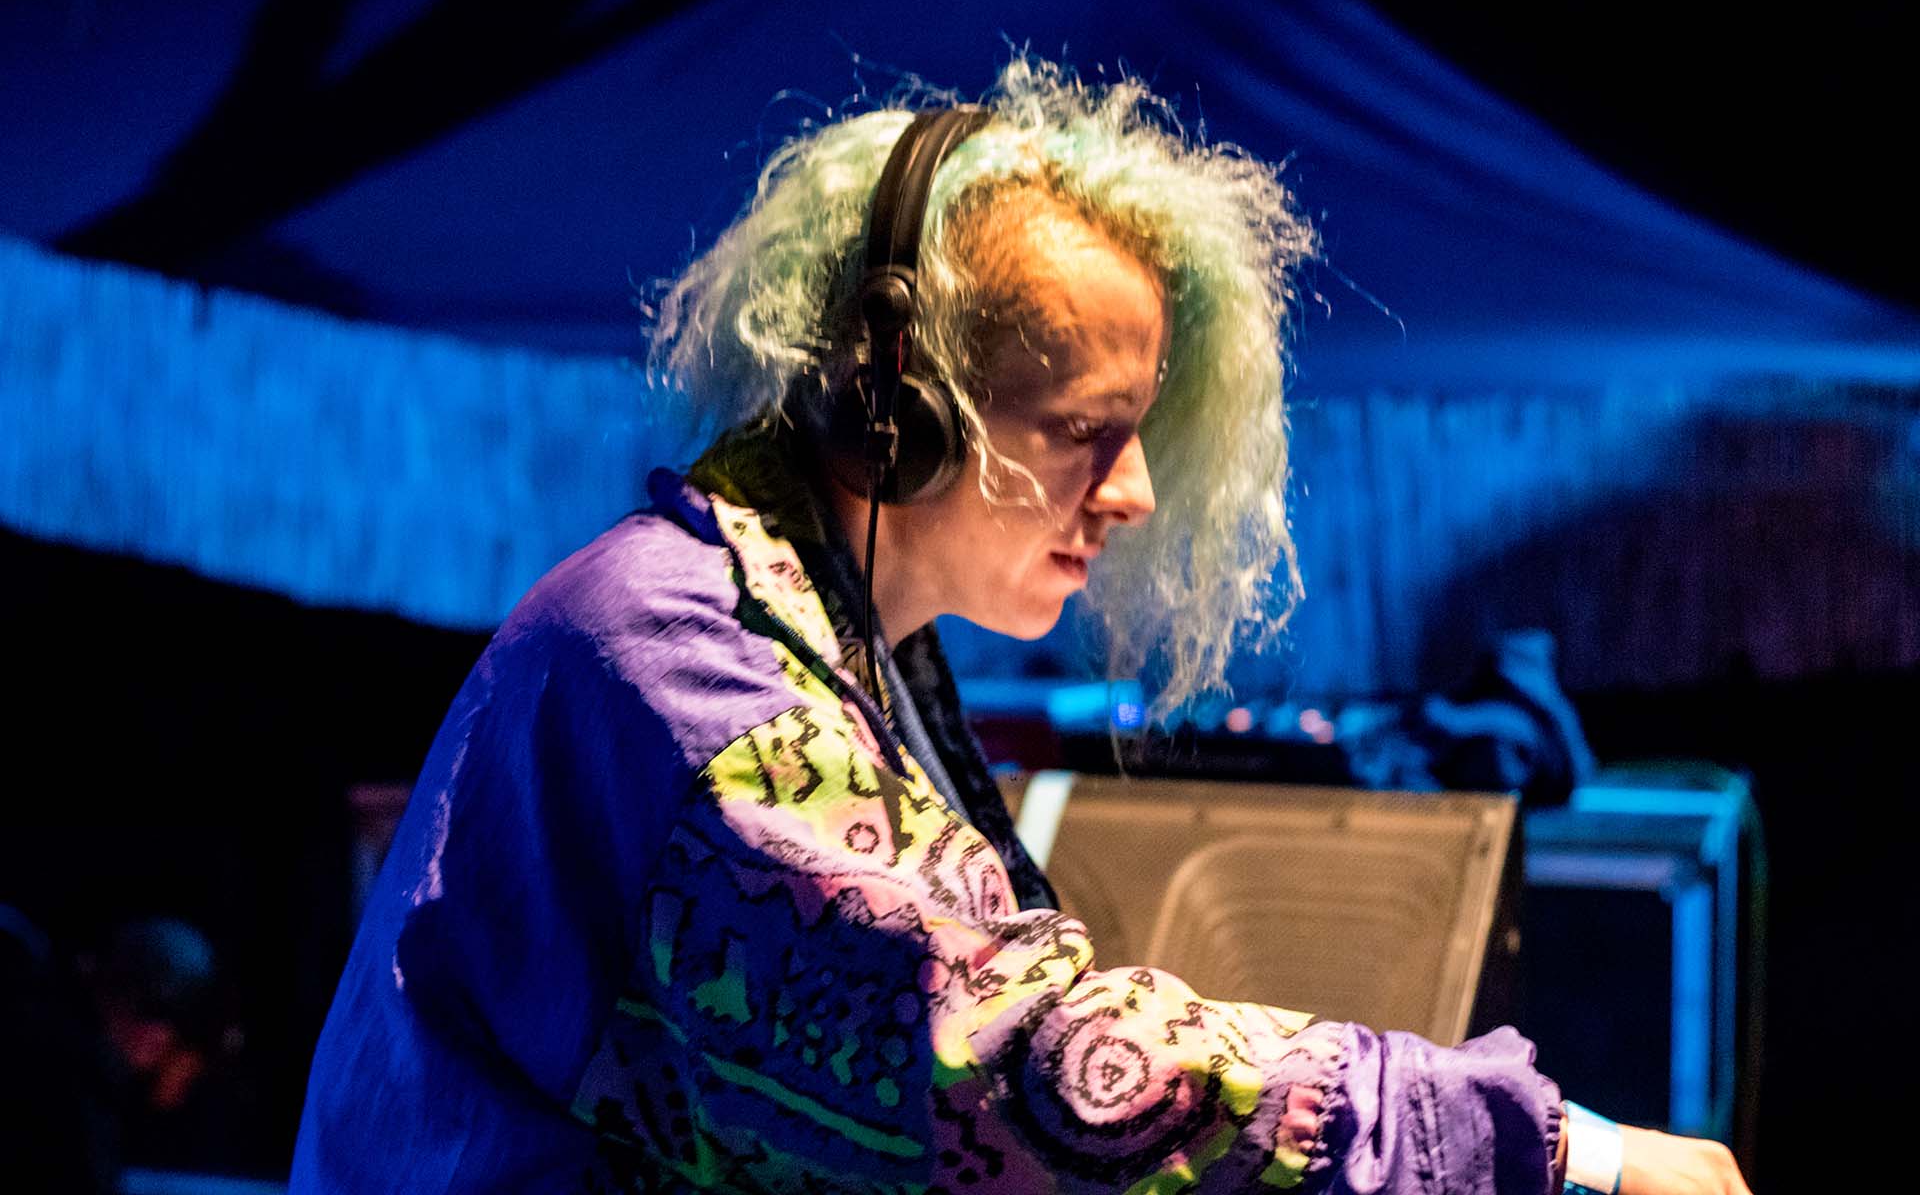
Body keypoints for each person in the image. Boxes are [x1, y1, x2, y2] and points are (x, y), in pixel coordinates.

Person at [292, 58, 1752, 1194]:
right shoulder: (675, 659)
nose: (1135, 490)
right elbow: (1000, 1064)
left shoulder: (838, 648)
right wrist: (1552, 1150)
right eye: (1081, 428)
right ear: (897, 408)